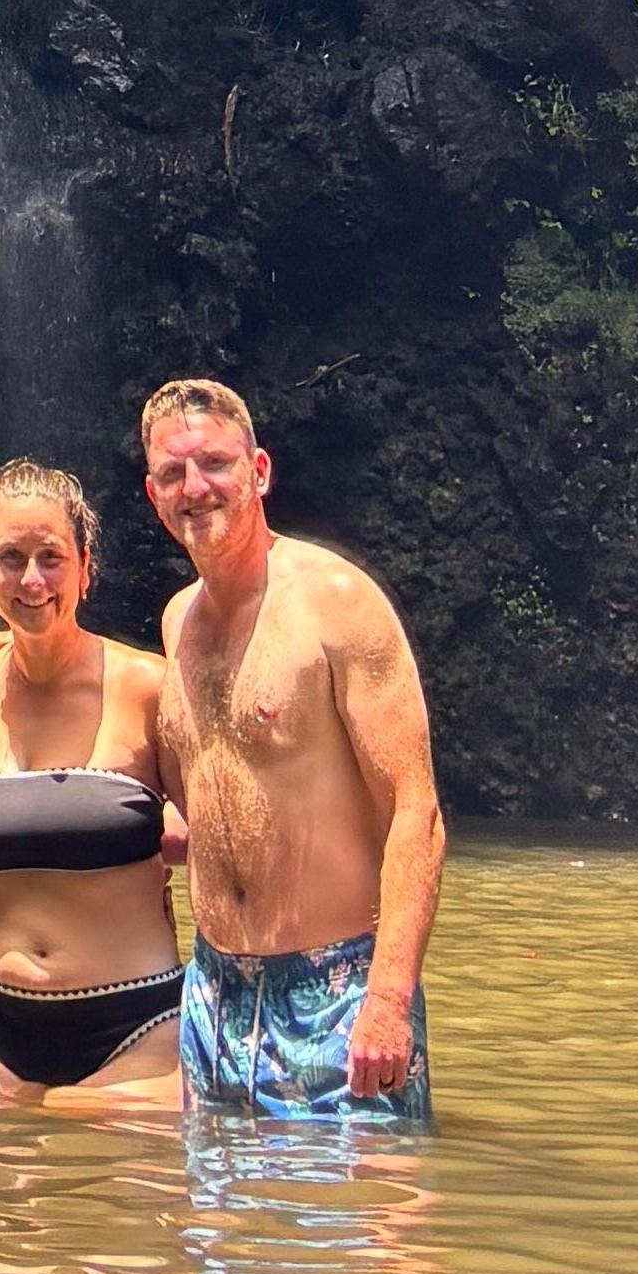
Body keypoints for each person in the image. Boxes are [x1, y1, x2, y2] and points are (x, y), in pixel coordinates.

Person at [143, 376, 443, 1119]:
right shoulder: (178, 622)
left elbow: (417, 811)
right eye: (172, 473)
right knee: (215, 1234)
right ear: (154, 496)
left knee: (369, 1225)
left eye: (214, 463)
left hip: (338, 997)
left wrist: (388, 999)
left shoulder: (336, 601)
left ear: (259, 472)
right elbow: (216, 800)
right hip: (214, 997)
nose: (195, 487)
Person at [0, 459, 189, 1115]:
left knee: (119, 1217)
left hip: (133, 1027)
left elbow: (223, 841)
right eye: (11, 557)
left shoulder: (149, 687)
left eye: (52, 556)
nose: (32, 579)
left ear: (85, 566)